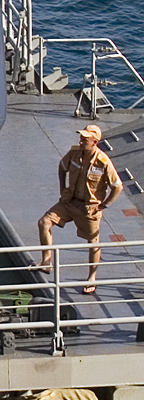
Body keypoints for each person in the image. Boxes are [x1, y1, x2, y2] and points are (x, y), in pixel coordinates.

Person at [39, 124, 123, 293]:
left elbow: (117, 186)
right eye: (81, 137)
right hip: (69, 201)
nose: (81, 140)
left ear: (95, 142)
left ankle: (92, 277)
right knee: (44, 222)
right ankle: (46, 261)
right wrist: (62, 188)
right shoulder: (75, 152)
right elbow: (62, 168)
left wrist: (104, 205)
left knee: (93, 242)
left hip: (89, 208)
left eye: (85, 139)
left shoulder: (103, 162)